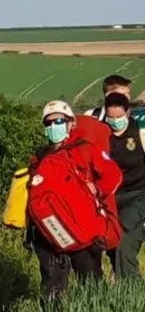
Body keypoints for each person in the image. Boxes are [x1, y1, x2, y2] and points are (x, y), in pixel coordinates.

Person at [27, 101, 122, 298]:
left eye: (59, 121)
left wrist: (96, 189)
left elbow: (113, 175)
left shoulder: (87, 149)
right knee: (52, 282)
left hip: (82, 227)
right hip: (50, 229)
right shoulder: (39, 157)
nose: (54, 127)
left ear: (71, 124)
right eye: (49, 123)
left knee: (90, 279)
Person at [104, 93, 145, 279]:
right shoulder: (103, 135)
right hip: (111, 198)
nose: (114, 122)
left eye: (118, 118)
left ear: (127, 113)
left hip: (138, 195)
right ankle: (128, 294)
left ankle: (132, 291)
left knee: (123, 240)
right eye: (110, 118)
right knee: (115, 246)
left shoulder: (139, 133)